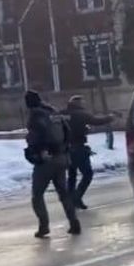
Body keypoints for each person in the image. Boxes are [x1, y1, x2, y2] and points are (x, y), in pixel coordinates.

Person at [24, 90, 81, 238]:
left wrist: (36, 151)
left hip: (46, 160)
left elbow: (35, 138)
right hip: (61, 157)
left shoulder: (35, 116)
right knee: (63, 192)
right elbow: (67, 131)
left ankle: (44, 226)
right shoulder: (53, 111)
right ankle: (74, 222)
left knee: (37, 194)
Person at [61, 96, 114, 209]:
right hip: (79, 148)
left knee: (72, 175)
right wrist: (110, 117)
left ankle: (71, 199)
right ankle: (76, 197)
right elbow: (97, 121)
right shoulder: (82, 114)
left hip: (65, 149)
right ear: (79, 104)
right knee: (87, 174)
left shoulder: (63, 114)